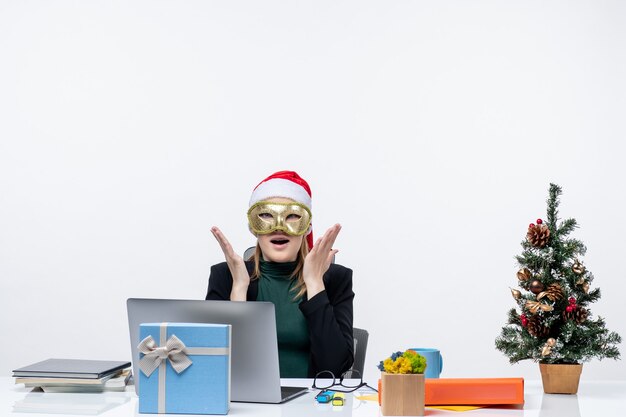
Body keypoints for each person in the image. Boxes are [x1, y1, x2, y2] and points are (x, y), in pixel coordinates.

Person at [205, 170, 354, 378]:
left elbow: (336, 367)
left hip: (311, 406)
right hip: (247, 406)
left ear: (307, 227)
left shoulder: (336, 279)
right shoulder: (226, 276)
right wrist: (238, 291)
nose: (279, 227)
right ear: (253, 227)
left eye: (292, 216)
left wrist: (314, 283)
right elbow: (216, 366)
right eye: (266, 215)